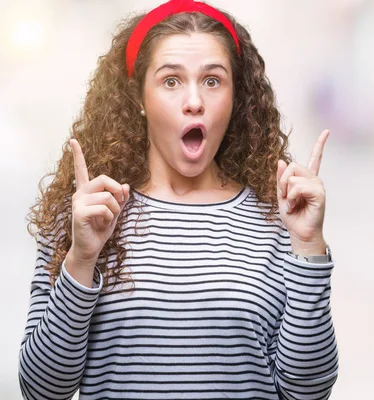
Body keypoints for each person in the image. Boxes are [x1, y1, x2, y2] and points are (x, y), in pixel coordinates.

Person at [18, 1, 339, 399]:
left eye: (212, 81)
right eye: (171, 81)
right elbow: (42, 390)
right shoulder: (88, 213)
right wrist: (81, 260)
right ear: (139, 96)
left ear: (236, 97)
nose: (194, 101)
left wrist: (308, 247)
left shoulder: (279, 220)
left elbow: (307, 391)